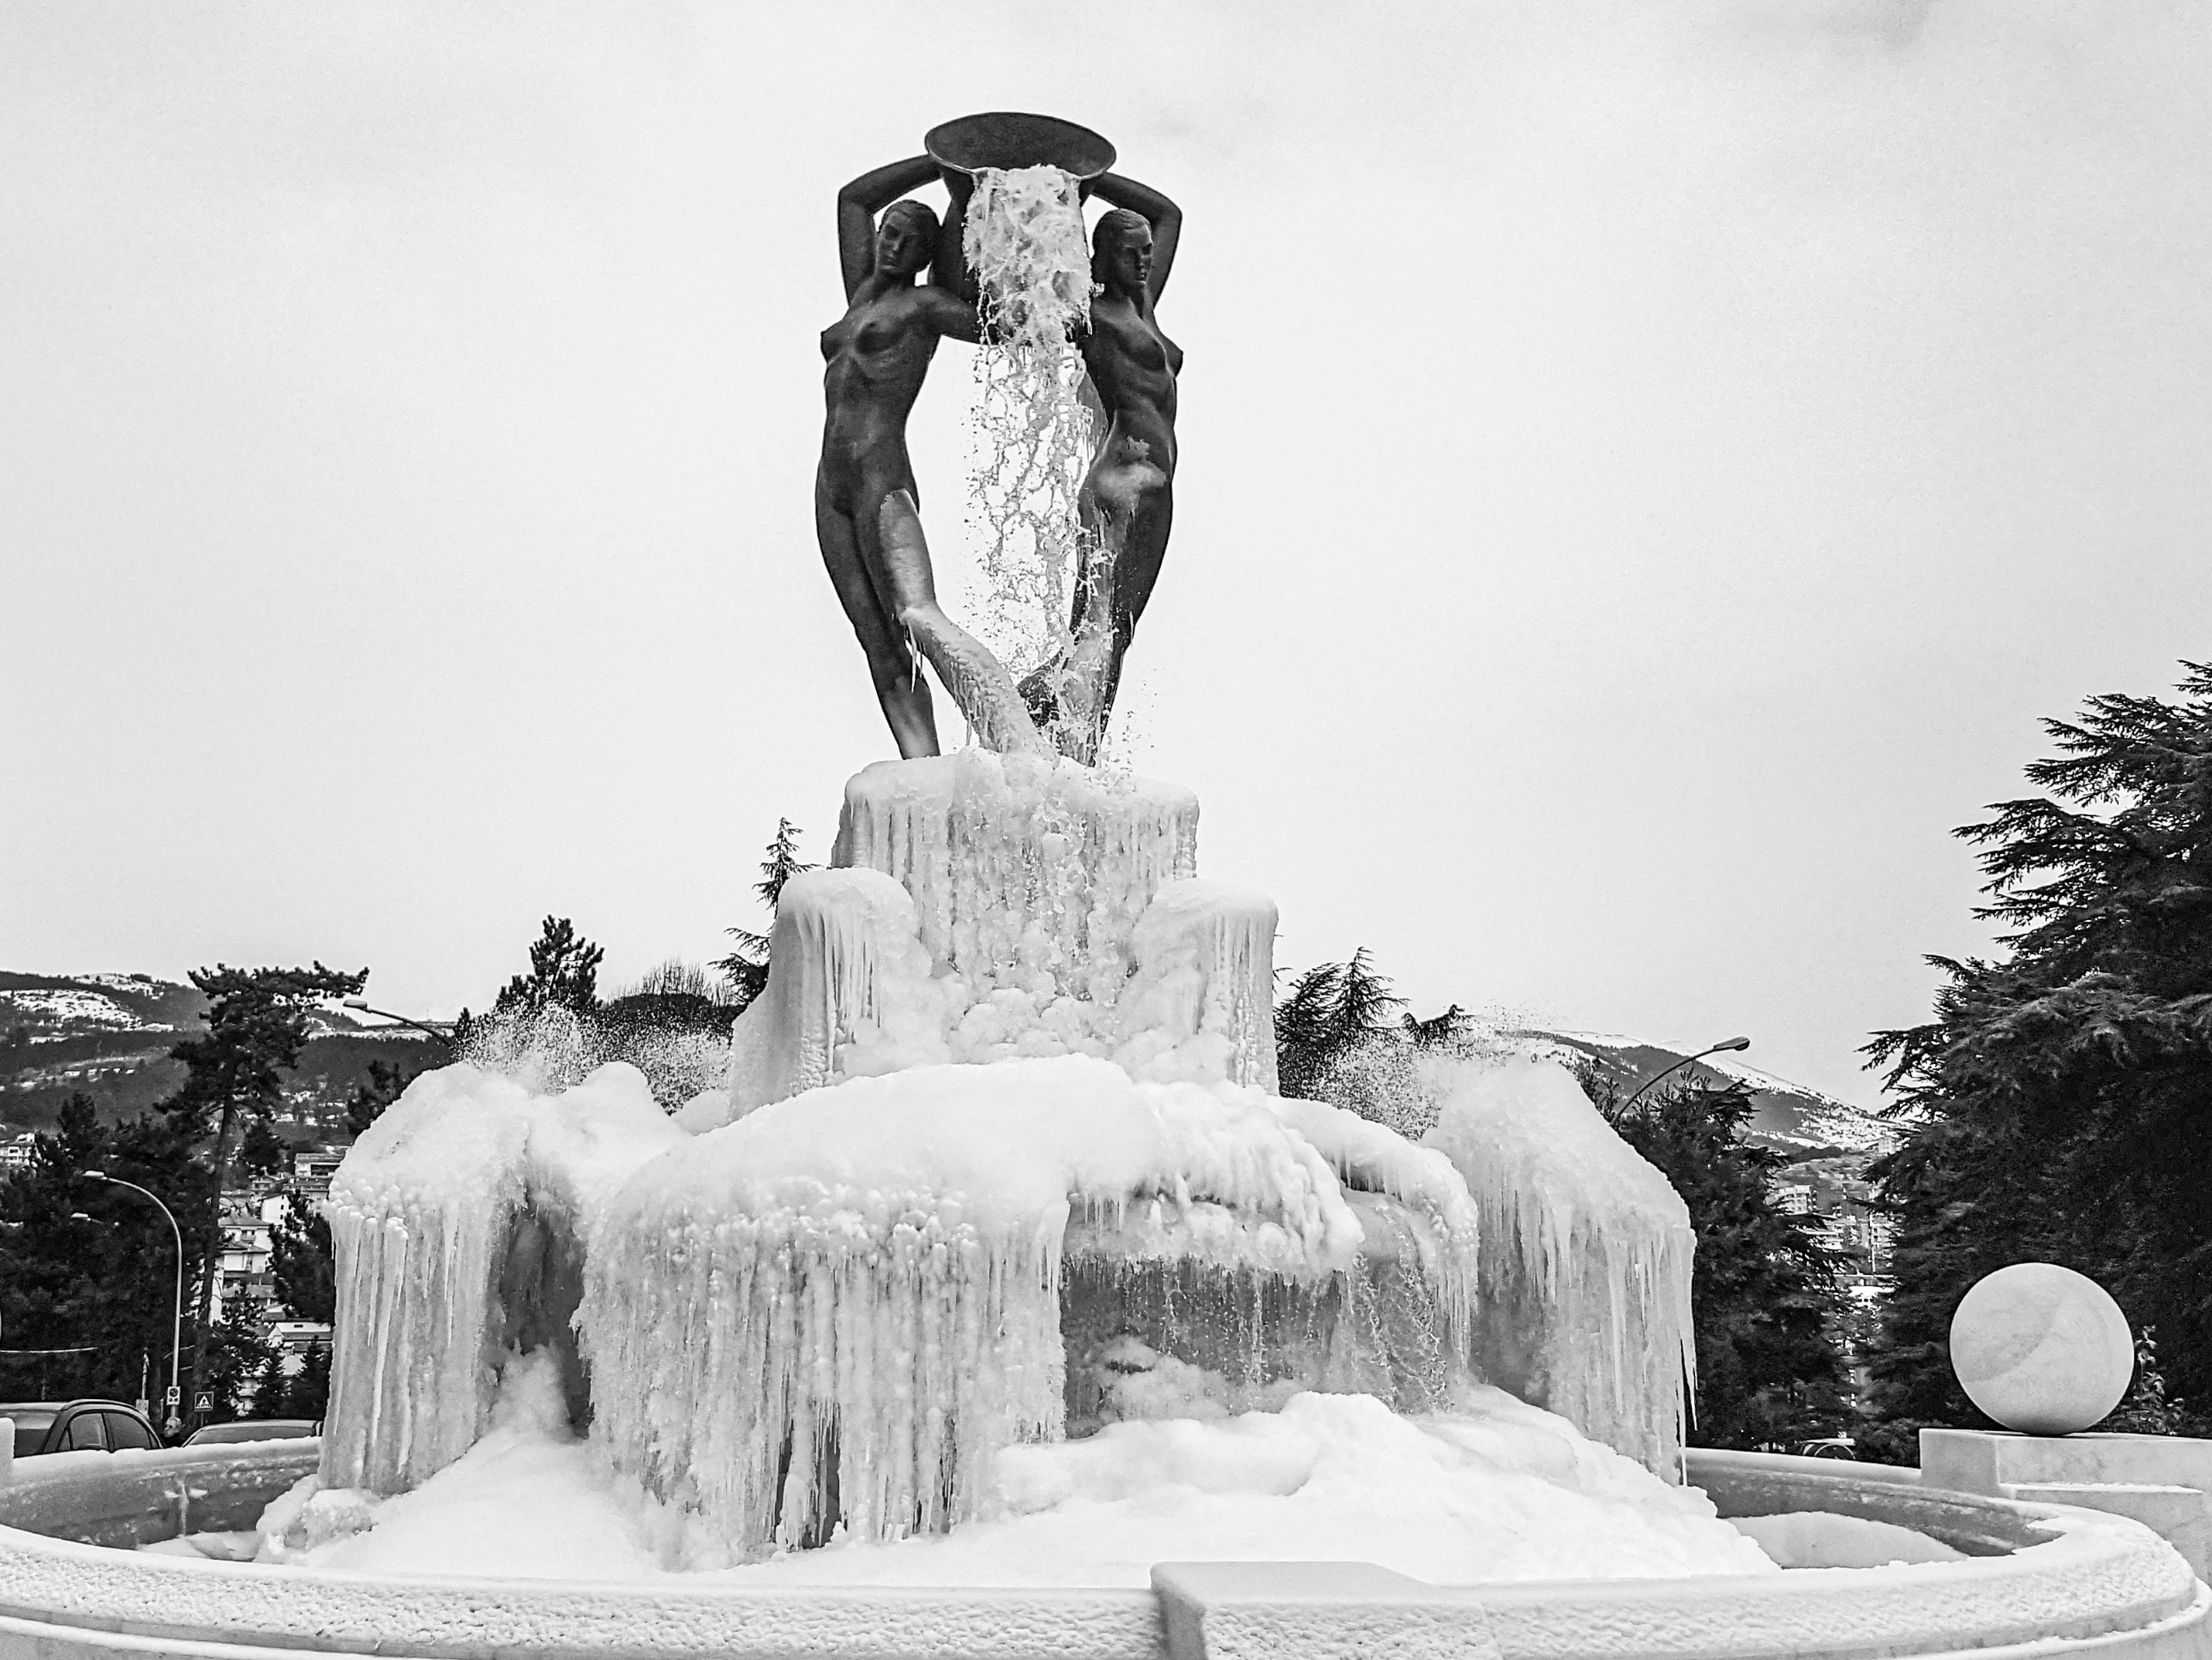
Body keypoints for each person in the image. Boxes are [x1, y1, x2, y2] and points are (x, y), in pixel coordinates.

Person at [817, 156, 1038, 758]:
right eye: (890, 234)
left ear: (925, 254)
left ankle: (1016, 740)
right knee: (876, 635)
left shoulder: (926, 308)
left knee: (916, 613)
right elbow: (852, 198)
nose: (892, 247)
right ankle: (922, 767)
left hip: (881, 473)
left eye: (910, 243)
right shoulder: (861, 297)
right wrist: (936, 161)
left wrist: (963, 189)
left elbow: (1003, 326)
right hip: (831, 481)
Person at [1021, 172, 1183, 757]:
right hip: (1121, 482)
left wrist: (1094, 175)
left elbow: (1168, 215)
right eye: (1128, 253)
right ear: (1100, 257)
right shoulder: (1088, 312)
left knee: (1116, 630)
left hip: (1155, 487)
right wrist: (1068, 193)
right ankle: (1056, 729)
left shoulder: (1144, 309)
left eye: (1145, 253)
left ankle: (1061, 726)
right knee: (1100, 628)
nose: (1143, 261)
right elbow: (1023, 301)